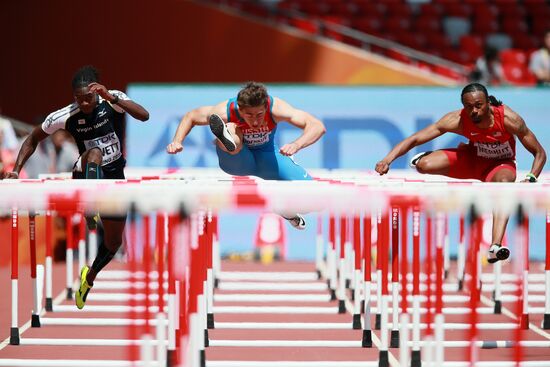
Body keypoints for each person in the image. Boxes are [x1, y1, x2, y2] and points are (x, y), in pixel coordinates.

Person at [2, 65, 150, 308]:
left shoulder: (113, 99)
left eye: (88, 99)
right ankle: (89, 206)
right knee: (94, 153)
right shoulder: (66, 115)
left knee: (113, 244)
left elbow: (144, 116)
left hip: (114, 178)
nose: (84, 104)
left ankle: (88, 278)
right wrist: (16, 170)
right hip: (84, 173)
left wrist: (110, 97)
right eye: (79, 99)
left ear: (97, 92)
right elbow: (32, 138)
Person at [375, 83, 546, 263]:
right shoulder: (457, 119)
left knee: (504, 185)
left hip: (499, 166)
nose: (474, 111)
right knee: (424, 165)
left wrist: (531, 178)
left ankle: (495, 246)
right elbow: (415, 138)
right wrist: (387, 159)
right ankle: (425, 158)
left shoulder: (509, 120)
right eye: (469, 107)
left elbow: (540, 153)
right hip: (471, 161)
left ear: (488, 103)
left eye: (479, 105)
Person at [166, 81, 325, 229]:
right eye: (249, 115)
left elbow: (317, 126)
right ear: (240, 109)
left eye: (259, 114)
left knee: (312, 200)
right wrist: (177, 141)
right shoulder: (224, 110)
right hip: (237, 160)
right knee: (231, 128)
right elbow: (192, 116)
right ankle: (227, 137)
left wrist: (297, 144)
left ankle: (284, 209)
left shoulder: (276, 108)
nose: (255, 121)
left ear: (265, 107)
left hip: (268, 158)